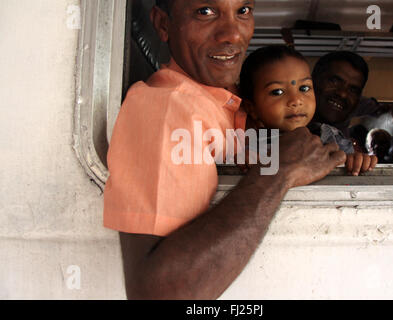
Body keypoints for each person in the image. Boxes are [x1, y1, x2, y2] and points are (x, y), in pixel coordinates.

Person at [103, 0, 346, 299]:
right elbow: (160, 295)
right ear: (163, 24)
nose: (232, 34)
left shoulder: (227, 100)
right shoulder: (168, 109)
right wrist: (277, 172)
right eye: (205, 11)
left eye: (243, 11)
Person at [239, 45, 377, 176]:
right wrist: (240, 160)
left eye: (304, 88)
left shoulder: (331, 137)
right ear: (252, 108)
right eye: (277, 92)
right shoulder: (247, 144)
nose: (296, 100)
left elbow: (348, 171)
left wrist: (357, 161)